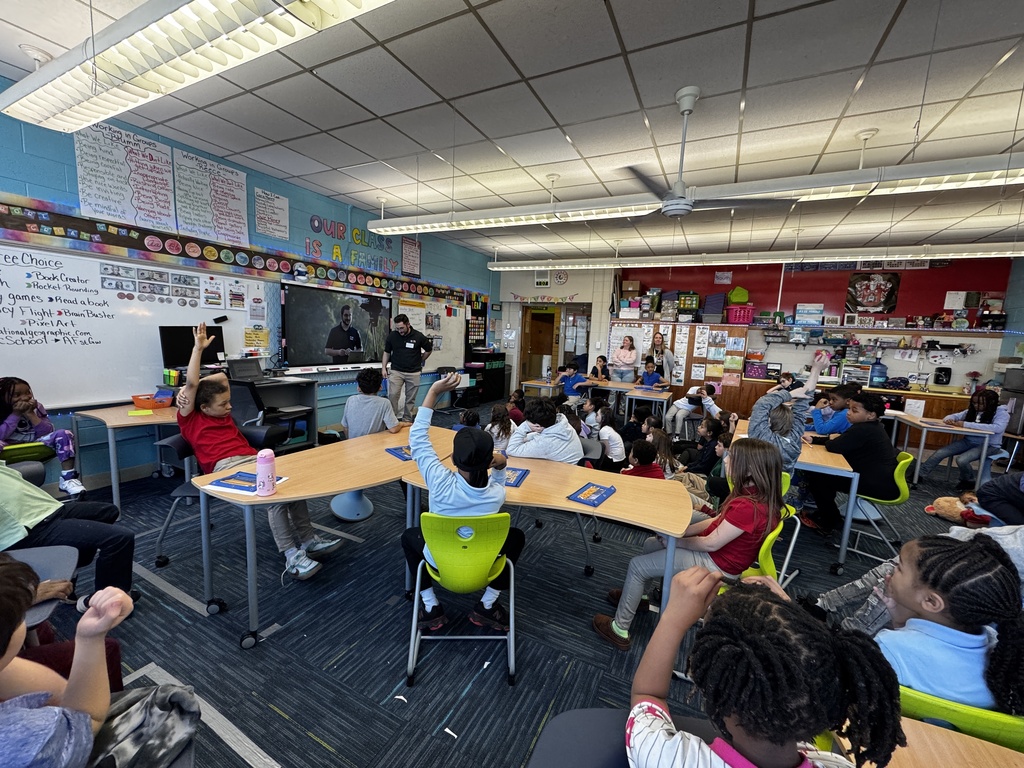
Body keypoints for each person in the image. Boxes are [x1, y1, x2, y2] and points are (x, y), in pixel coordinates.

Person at [625, 567, 905, 768]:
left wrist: (673, 618)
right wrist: (790, 618)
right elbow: (802, 666)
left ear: (716, 692)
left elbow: (647, 696)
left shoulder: (670, 757)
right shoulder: (837, 763)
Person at [177, 323, 341, 581]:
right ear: (204, 408)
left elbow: (220, 379)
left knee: (293, 487)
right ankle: (291, 555)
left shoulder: (217, 407)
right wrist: (197, 352)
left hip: (252, 459)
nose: (230, 407)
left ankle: (308, 540)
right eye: (223, 404)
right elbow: (191, 383)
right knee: (274, 496)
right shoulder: (190, 418)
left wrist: (200, 387)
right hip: (225, 468)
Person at [0, 558, 200, 767]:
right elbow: (84, 717)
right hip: (53, 742)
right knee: (175, 703)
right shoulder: (30, 735)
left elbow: (53, 692)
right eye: (20, 613)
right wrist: (90, 638)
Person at [594, 438, 784, 650]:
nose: (726, 462)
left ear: (749, 469)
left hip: (717, 565)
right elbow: (716, 522)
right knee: (650, 544)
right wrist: (678, 534)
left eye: (732, 458)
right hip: (718, 557)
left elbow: (711, 543)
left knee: (637, 566)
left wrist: (677, 542)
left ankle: (619, 629)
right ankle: (641, 598)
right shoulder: (754, 496)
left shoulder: (748, 507)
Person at [402, 373, 525, 631]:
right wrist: (501, 466)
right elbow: (500, 482)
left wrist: (434, 392)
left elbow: (418, 439)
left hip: (440, 562)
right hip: (484, 565)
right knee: (516, 537)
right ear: (489, 459)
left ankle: (430, 605)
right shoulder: (496, 493)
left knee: (409, 537)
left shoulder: (439, 480)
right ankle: (488, 605)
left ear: (454, 461)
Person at [871, 535, 1024, 712]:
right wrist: (901, 622)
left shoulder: (888, 647)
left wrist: (898, 628)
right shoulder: (1005, 661)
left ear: (930, 601)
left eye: (899, 568)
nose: (891, 571)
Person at [0, 459, 137, 608]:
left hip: (49, 508)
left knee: (108, 512)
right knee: (119, 538)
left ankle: (69, 573)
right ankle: (107, 604)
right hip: (30, 527)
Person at [802, 392, 900, 534]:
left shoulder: (863, 429)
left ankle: (830, 521)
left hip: (875, 484)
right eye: (849, 409)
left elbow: (835, 446)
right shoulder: (872, 426)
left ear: (871, 415)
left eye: (854, 410)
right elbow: (842, 441)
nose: (848, 413)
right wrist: (816, 440)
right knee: (822, 477)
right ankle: (828, 515)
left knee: (819, 478)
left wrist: (827, 441)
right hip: (881, 480)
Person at [0, 377, 85, 496]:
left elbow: (47, 432)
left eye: (27, 392)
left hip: (36, 444)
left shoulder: (36, 407)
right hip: (7, 448)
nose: (25, 397)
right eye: (17, 395)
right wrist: (16, 414)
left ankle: (68, 478)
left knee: (64, 433)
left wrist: (30, 414)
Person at [748, 350, 827, 475]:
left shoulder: (762, 438)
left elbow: (761, 404)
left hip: (754, 488)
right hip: (779, 490)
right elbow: (802, 405)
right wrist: (816, 370)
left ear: (768, 421)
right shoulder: (795, 438)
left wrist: (789, 394)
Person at [919, 389, 1009, 490]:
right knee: (940, 453)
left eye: (980, 403)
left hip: (989, 445)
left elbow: (997, 428)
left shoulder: (1001, 413)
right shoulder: (972, 411)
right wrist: (950, 419)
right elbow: (952, 416)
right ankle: (919, 475)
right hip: (969, 442)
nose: (976, 406)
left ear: (991, 403)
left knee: (962, 460)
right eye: (974, 403)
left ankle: (968, 480)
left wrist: (965, 424)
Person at [382, 313, 433, 422]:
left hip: (413, 372)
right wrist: (383, 368)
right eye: (397, 328)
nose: (400, 330)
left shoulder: (418, 336)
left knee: (410, 399)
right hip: (396, 371)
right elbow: (386, 352)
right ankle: (392, 420)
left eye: (402, 328)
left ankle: (407, 420)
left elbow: (429, 350)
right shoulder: (392, 336)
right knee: (393, 395)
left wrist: (421, 359)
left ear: (408, 324)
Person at [506, 398, 584, 465]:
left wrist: (525, 426)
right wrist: (528, 437)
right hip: (570, 469)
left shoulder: (546, 442)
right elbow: (539, 435)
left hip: (561, 475)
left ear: (537, 425)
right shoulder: (562, 423)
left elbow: (511, 449)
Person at [340, 368, 409, 438]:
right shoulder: (384, 403)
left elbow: (345, 427)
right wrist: (402, 424)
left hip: (352, 445)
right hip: (374, 445)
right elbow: (394, 429)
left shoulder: (351, 400)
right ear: (380, 387)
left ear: (358, 388)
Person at [596, 406, 628, 473]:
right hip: (621, 459)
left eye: (597, 415)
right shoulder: (610, 428)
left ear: (603, 418)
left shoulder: (603, 430)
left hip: (614, 461)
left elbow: (606, 451)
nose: (595, 416)